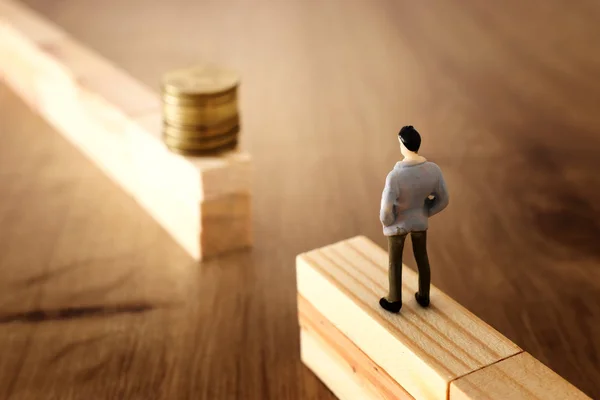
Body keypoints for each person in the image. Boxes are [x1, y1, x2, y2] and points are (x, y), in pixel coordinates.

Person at [379, 125, 449, 313]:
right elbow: (444, 199)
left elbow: (385, 210)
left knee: (395, 261)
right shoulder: (433, 170)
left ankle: (394, 299)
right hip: (419, 221)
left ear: (402, 145)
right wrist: (426, 211)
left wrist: (389, 221)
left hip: (398, 225)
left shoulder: (395, 176)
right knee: (422, 257)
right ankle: (424, 295)